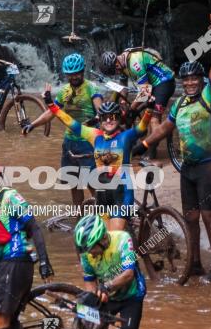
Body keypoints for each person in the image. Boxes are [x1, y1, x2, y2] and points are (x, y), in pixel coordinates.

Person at [138, 14, 211, 280]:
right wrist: (143, 143)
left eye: (193, 79)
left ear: (201, 80)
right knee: (190, 216)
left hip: (210, 164)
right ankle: (197, 263)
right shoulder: (179, 104)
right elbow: (166, 127)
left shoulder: (210, 93)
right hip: (188, 167)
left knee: (209, 215)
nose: (189, 83)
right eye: (185, 80)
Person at [43, 87, 153, 231]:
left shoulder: (126, 136)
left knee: (115, 235)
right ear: (99, 121)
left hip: (122, 192)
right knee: (105, 237)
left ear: (119, 119)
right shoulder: (95, 135)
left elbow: (142, 127)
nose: (108, 120)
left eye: (113, 117)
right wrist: (51, 104)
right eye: (104, 117)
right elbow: (70, 122)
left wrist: (149, 110)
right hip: (102, 194)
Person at [0, 159, 54, 329]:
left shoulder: (9, 197)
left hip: (15, 262)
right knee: (10, 319)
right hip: (7, 264)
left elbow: (34, 227)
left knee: (0, 319)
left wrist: (44, 262)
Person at [22, 53, 103, 208]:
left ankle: (103, 215)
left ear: (83, 71)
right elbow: (51, 112)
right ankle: (79, 215)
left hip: (88, 142)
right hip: (70, 142)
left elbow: (102, 113)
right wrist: (32, 125)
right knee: (74, 183)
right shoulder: (64, 92)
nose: (74, 78)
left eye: (77, 74)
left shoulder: (92, 89)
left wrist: (95, 120)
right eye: (70, 75)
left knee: (92, 183)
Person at [74, 214, 146, 329]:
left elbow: (128, 274)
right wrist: (90, 305)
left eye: (91, 248)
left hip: (131, 295)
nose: (89, 253)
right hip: (108, 295)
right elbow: (90, 283)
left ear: (102, 239)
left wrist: (107, 286)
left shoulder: (123, 239)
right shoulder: (87, 255)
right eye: (86, 249)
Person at [98, 46, 175, 157]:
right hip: (152, 85)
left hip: (165, 82)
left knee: (154, 119)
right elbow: (123, 88)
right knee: (135, 113)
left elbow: (145, 92)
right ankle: (133, 142)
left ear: (116, 64)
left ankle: (152, 153)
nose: (117, 72)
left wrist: (132, 108)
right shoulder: (121, 61)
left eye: (116, 70)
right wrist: (123, 102)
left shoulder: (135, 63)